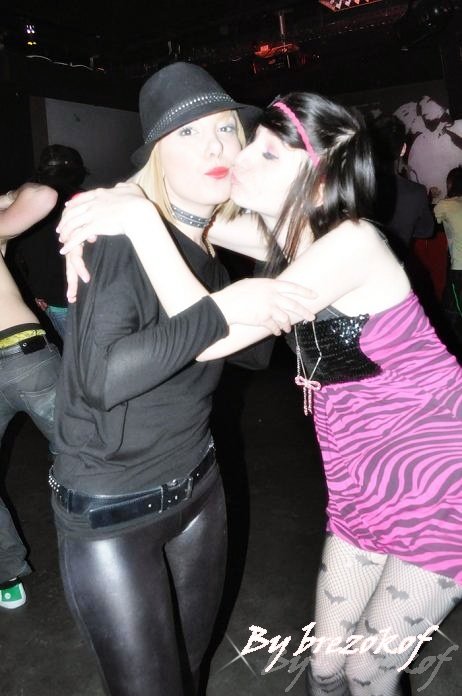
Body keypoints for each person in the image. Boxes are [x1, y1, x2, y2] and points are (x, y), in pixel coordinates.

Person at [60, 91, 462, 696]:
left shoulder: (351, 243)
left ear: (317, 180)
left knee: (368, 669)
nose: (240, 158)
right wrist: (94, 210)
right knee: (326, 667)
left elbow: (214, 336)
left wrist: (139, 222)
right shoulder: (289, 236)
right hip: (360, 483)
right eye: (252, 144)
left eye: (269, 155)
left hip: (437, 476)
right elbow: (179, 203)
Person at [49, 62, 315, 696]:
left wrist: (246, 296)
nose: (215, 146)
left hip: (199, 488)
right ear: (156, 157)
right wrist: (224, 310)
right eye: (187, 133)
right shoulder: (119, 239)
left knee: (190, 673)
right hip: (113, 512)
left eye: (224, 128)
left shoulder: (205, 251)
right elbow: (101, 378)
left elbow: (249, 357)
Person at [0, 182, 60, 609]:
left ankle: (118, 542)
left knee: (87, 453)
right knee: (86, 452)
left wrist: (4, 202)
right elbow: (41, 196)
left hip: (25, 358)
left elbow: (43, 197)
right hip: (26, 357)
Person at [14, 145, 87, 340]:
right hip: (82, 296)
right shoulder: (84, 200)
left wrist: (32, 292)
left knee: (74, 353)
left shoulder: (26, 203)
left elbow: (16, 253)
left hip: (49, 299)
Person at [369, 114, 434, 259]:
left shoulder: (358, 188)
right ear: (403, 149)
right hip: (397, 267)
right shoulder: (417, 192)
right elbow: (427, 230)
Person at [434, 165, 462, 345]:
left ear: (450, 184)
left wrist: (432, 197)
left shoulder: (445, 205)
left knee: (451, 311)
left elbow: (430, 224)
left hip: (459, 267)